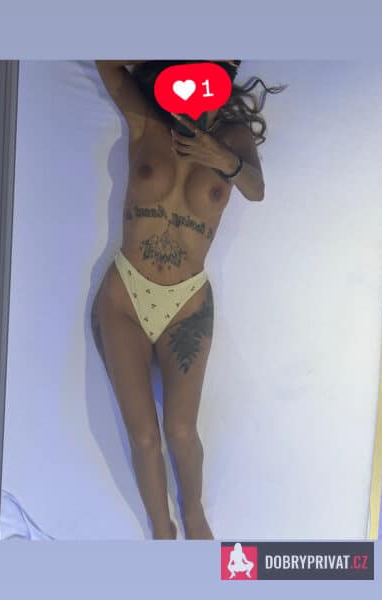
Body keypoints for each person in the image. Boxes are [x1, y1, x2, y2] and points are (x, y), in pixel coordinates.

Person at [91, 60, 285, 539]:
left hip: (186, 302)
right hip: (126, 295)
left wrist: (223, 159)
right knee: (144, 436)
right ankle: (162, 532)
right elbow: (106, 64)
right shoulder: (148, 118)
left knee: (180, 432)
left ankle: (193, 510)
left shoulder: (233, 137)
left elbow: (256, 190)